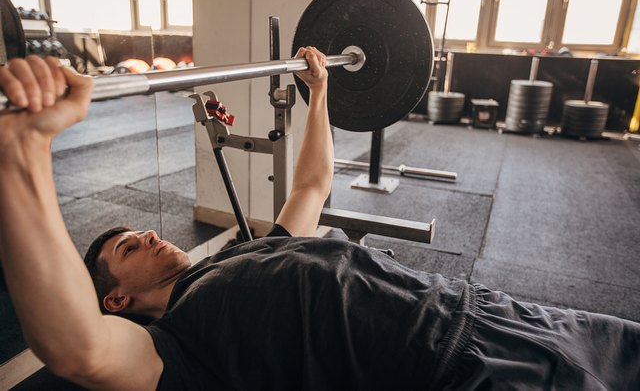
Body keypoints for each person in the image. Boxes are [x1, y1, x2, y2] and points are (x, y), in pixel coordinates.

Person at [0, 51, 638, 391]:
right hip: (458, 374)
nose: (148, 234)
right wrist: (22, 153)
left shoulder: (246, 254)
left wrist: (322, 93)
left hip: (493, 311)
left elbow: (311, 184)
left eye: (135, 230)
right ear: (116, 297)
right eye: (128, 247)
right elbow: (78, 350)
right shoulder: (176, 353)